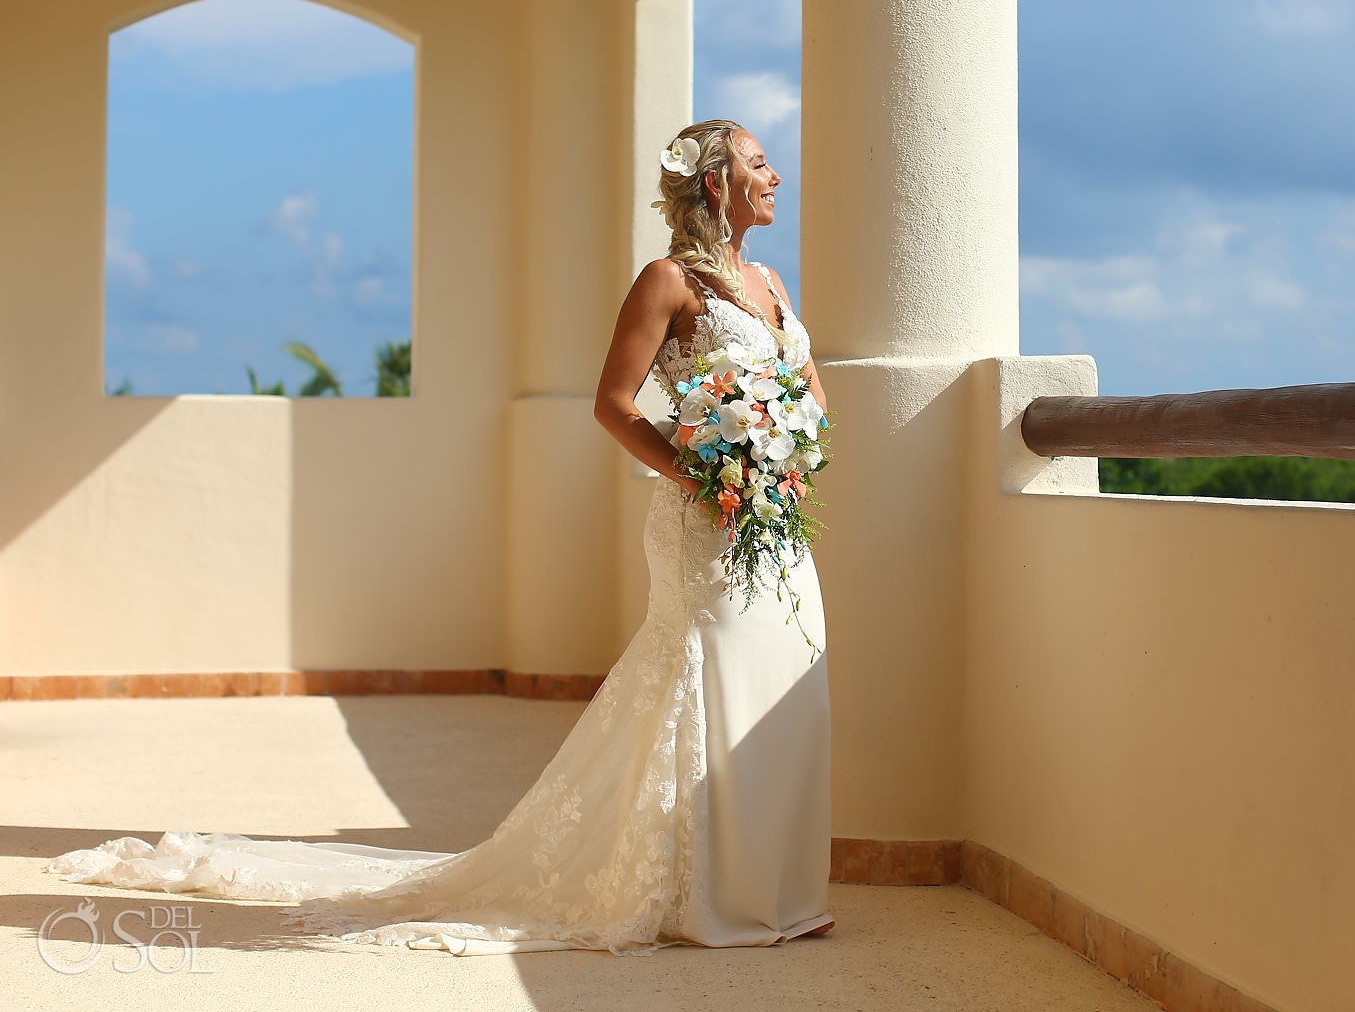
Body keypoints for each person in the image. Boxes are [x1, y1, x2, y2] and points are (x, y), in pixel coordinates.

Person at [43, 119, 835, 956]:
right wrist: (702, 474)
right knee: (715, 682)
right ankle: (714, 895)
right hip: (702, 522)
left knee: (787, 676)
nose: (775, 173)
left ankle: (783, 890)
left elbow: (803, 390)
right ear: (716, 182)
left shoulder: (771, 279)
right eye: (757, 162)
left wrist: (790, 452)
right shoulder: (668, 282)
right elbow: (614, 403)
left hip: (775, 520)